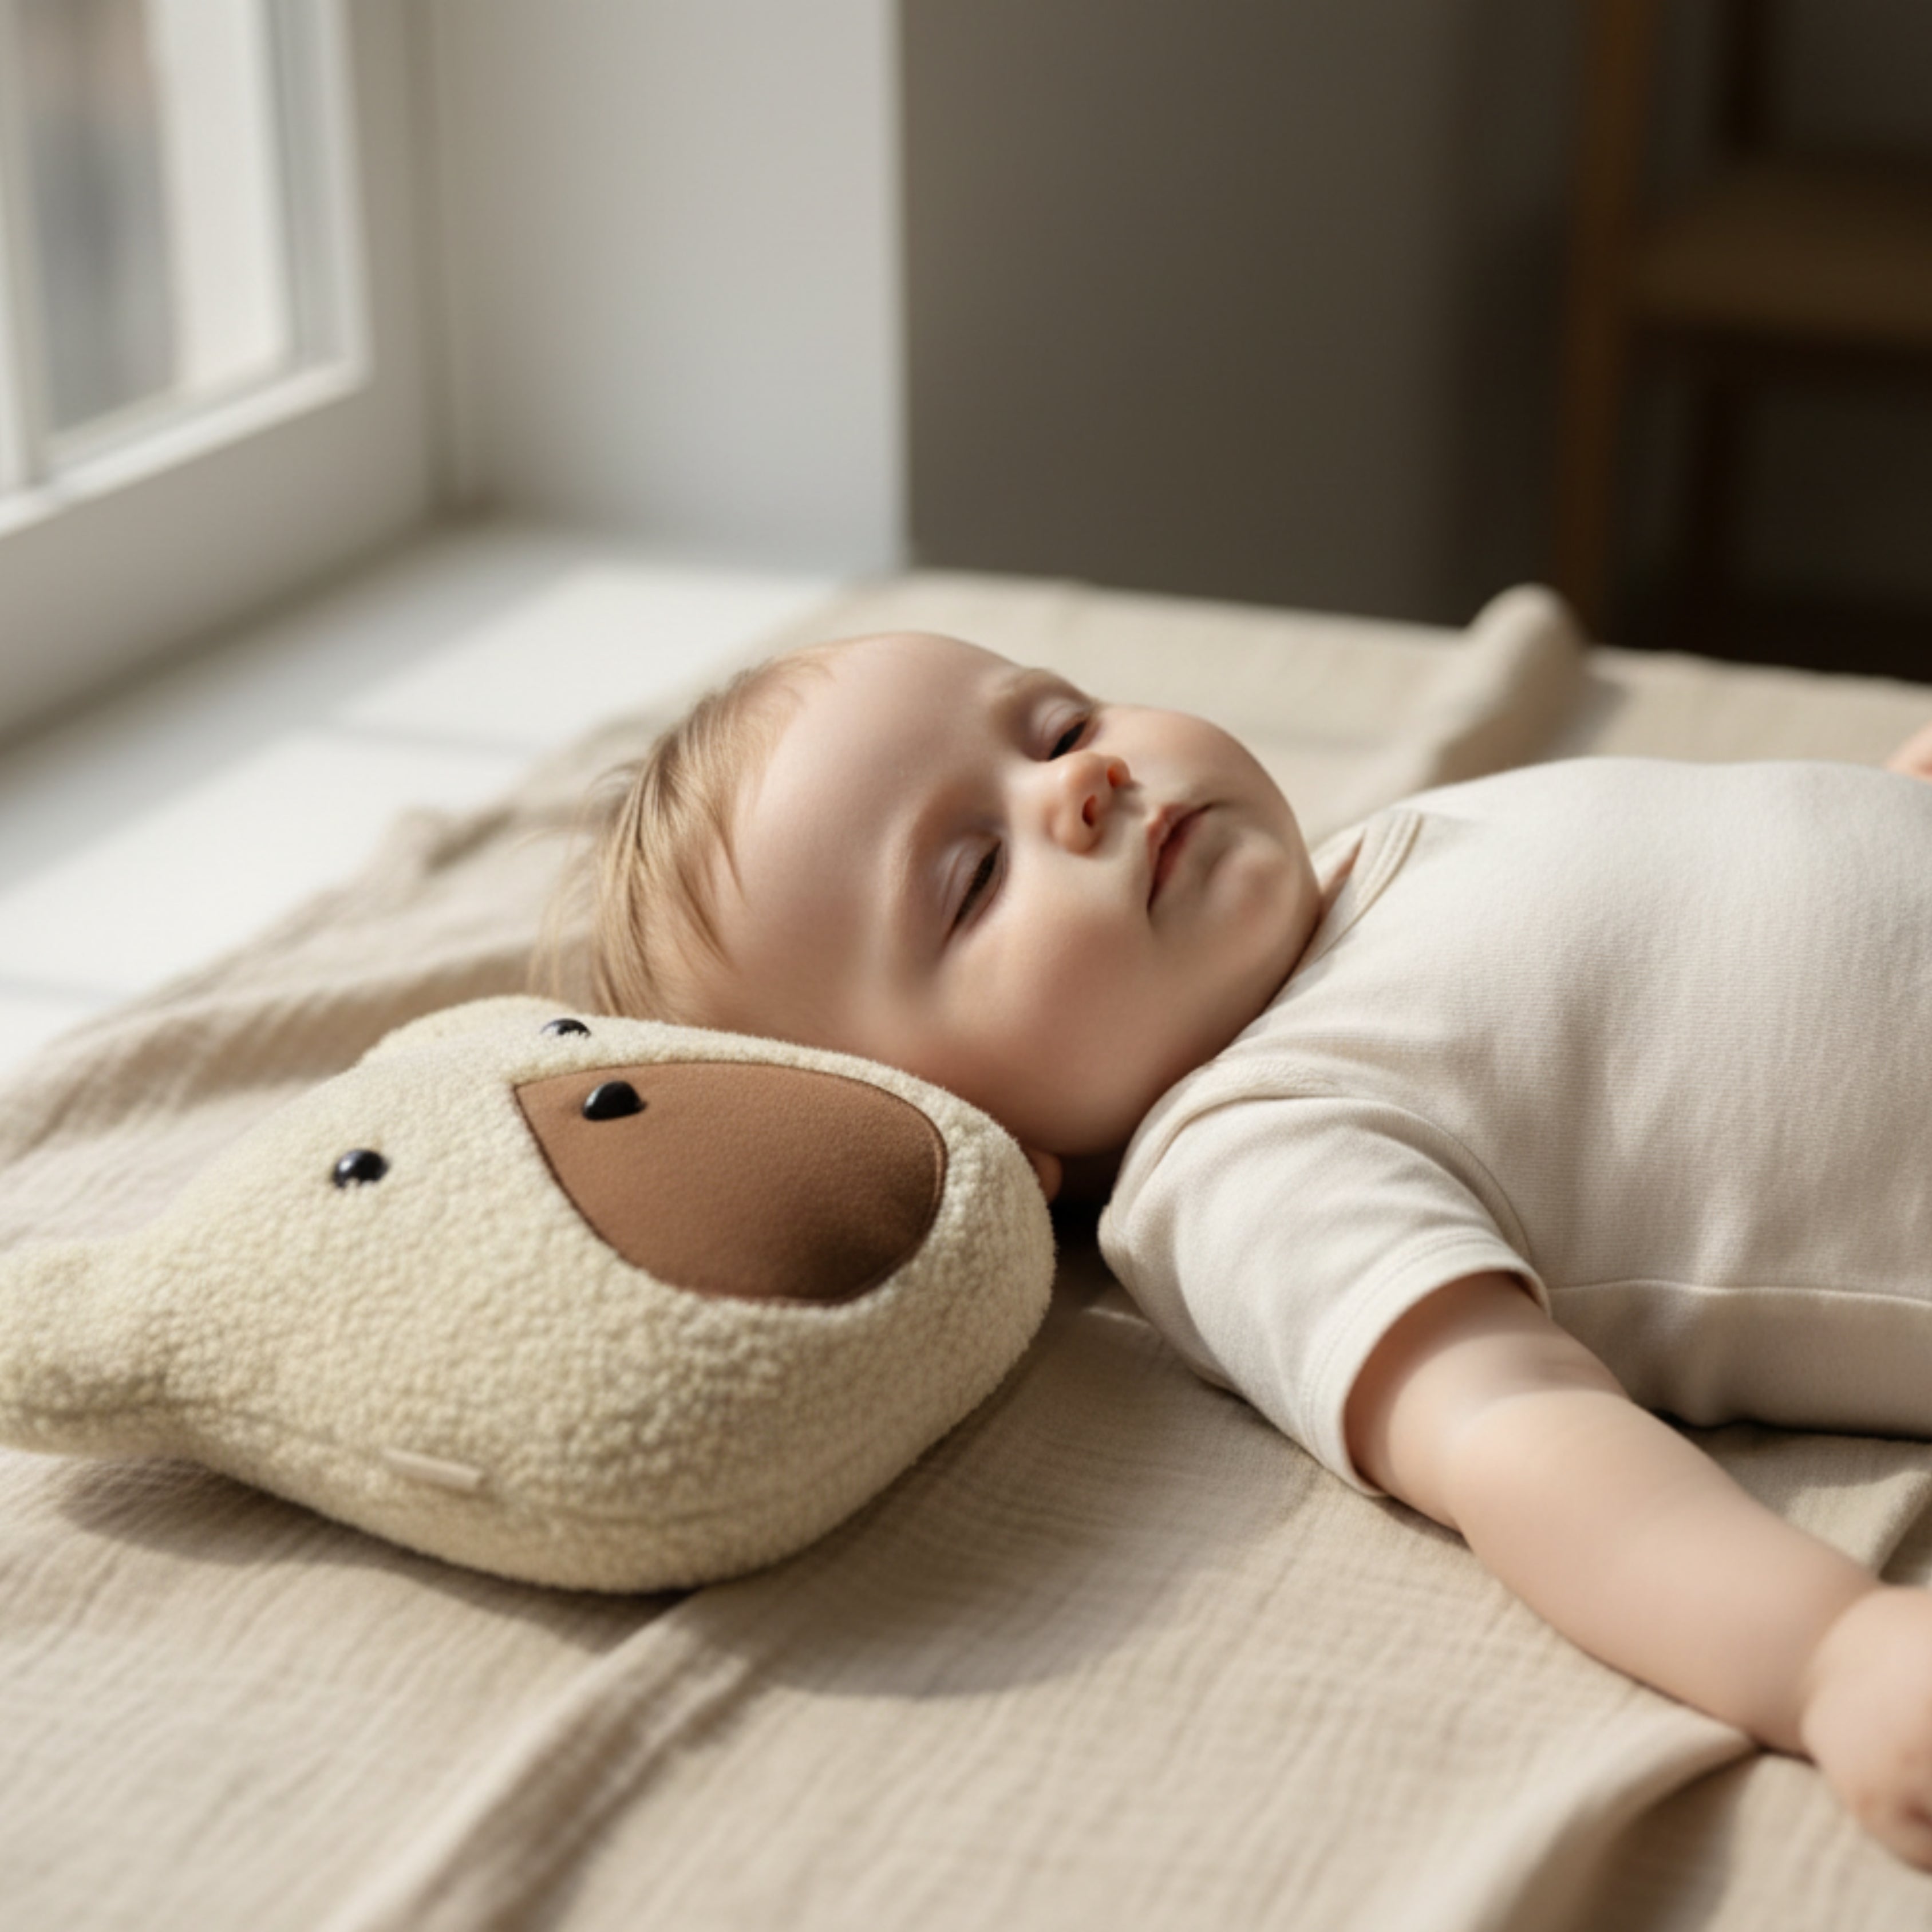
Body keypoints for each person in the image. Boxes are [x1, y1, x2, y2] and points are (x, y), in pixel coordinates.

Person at [564, 627, 1932, 1868]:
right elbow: (1506, 1428)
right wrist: (1827, 1651)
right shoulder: (1244, 1158)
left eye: (1056, 723)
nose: (1083, 781)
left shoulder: (1358, 860)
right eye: (974, 877)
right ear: (975, 1135)